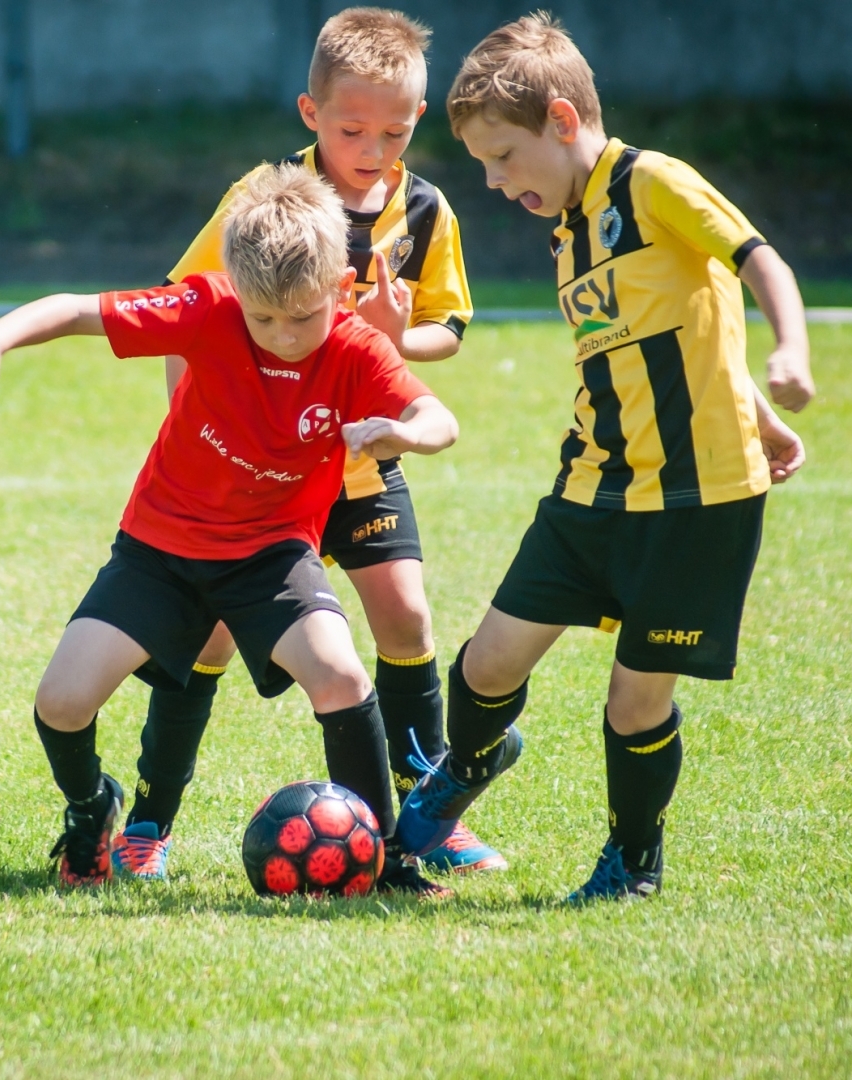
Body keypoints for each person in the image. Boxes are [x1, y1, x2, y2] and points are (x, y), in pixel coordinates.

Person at [0, 164, 460, 895]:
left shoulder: (356, 348)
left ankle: (386, 860)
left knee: (341, 675)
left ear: (342, 288)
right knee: (61, 701)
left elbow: (439, 417)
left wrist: (406, 434)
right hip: (160, 550)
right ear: (236, 289)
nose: (282, 336)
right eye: (262, 318)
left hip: (271, 555)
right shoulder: (207, 307)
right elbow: (74, 309)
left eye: (302, 317)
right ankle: (91, 811)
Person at [393, 13, 815, 901]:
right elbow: (669, 333)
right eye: (482, 166)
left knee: (634, 701)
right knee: (485, 666)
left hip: (698, 498)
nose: (494, 181)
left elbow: (757, 263)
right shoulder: (569, 231)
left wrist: (791, 353)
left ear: (560, 120)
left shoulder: (653, 183)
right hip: (592, 485)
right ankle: (467, 766)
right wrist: (757, 409)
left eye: (502, 157)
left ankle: (632, 860)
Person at [116, 7, 507, 882]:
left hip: (359, 462)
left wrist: (397, 339)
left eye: (395, 131)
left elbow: (447, 328)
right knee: (211, 639)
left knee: (405, 614)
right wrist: (192, 422)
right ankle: (149, 818)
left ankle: (425, 817)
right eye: (352, 129)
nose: (373, 147)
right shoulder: (264, 201)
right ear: (311, 113)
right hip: (258, 480)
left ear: (419, 119)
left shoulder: (425, 210)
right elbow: (188, 309)